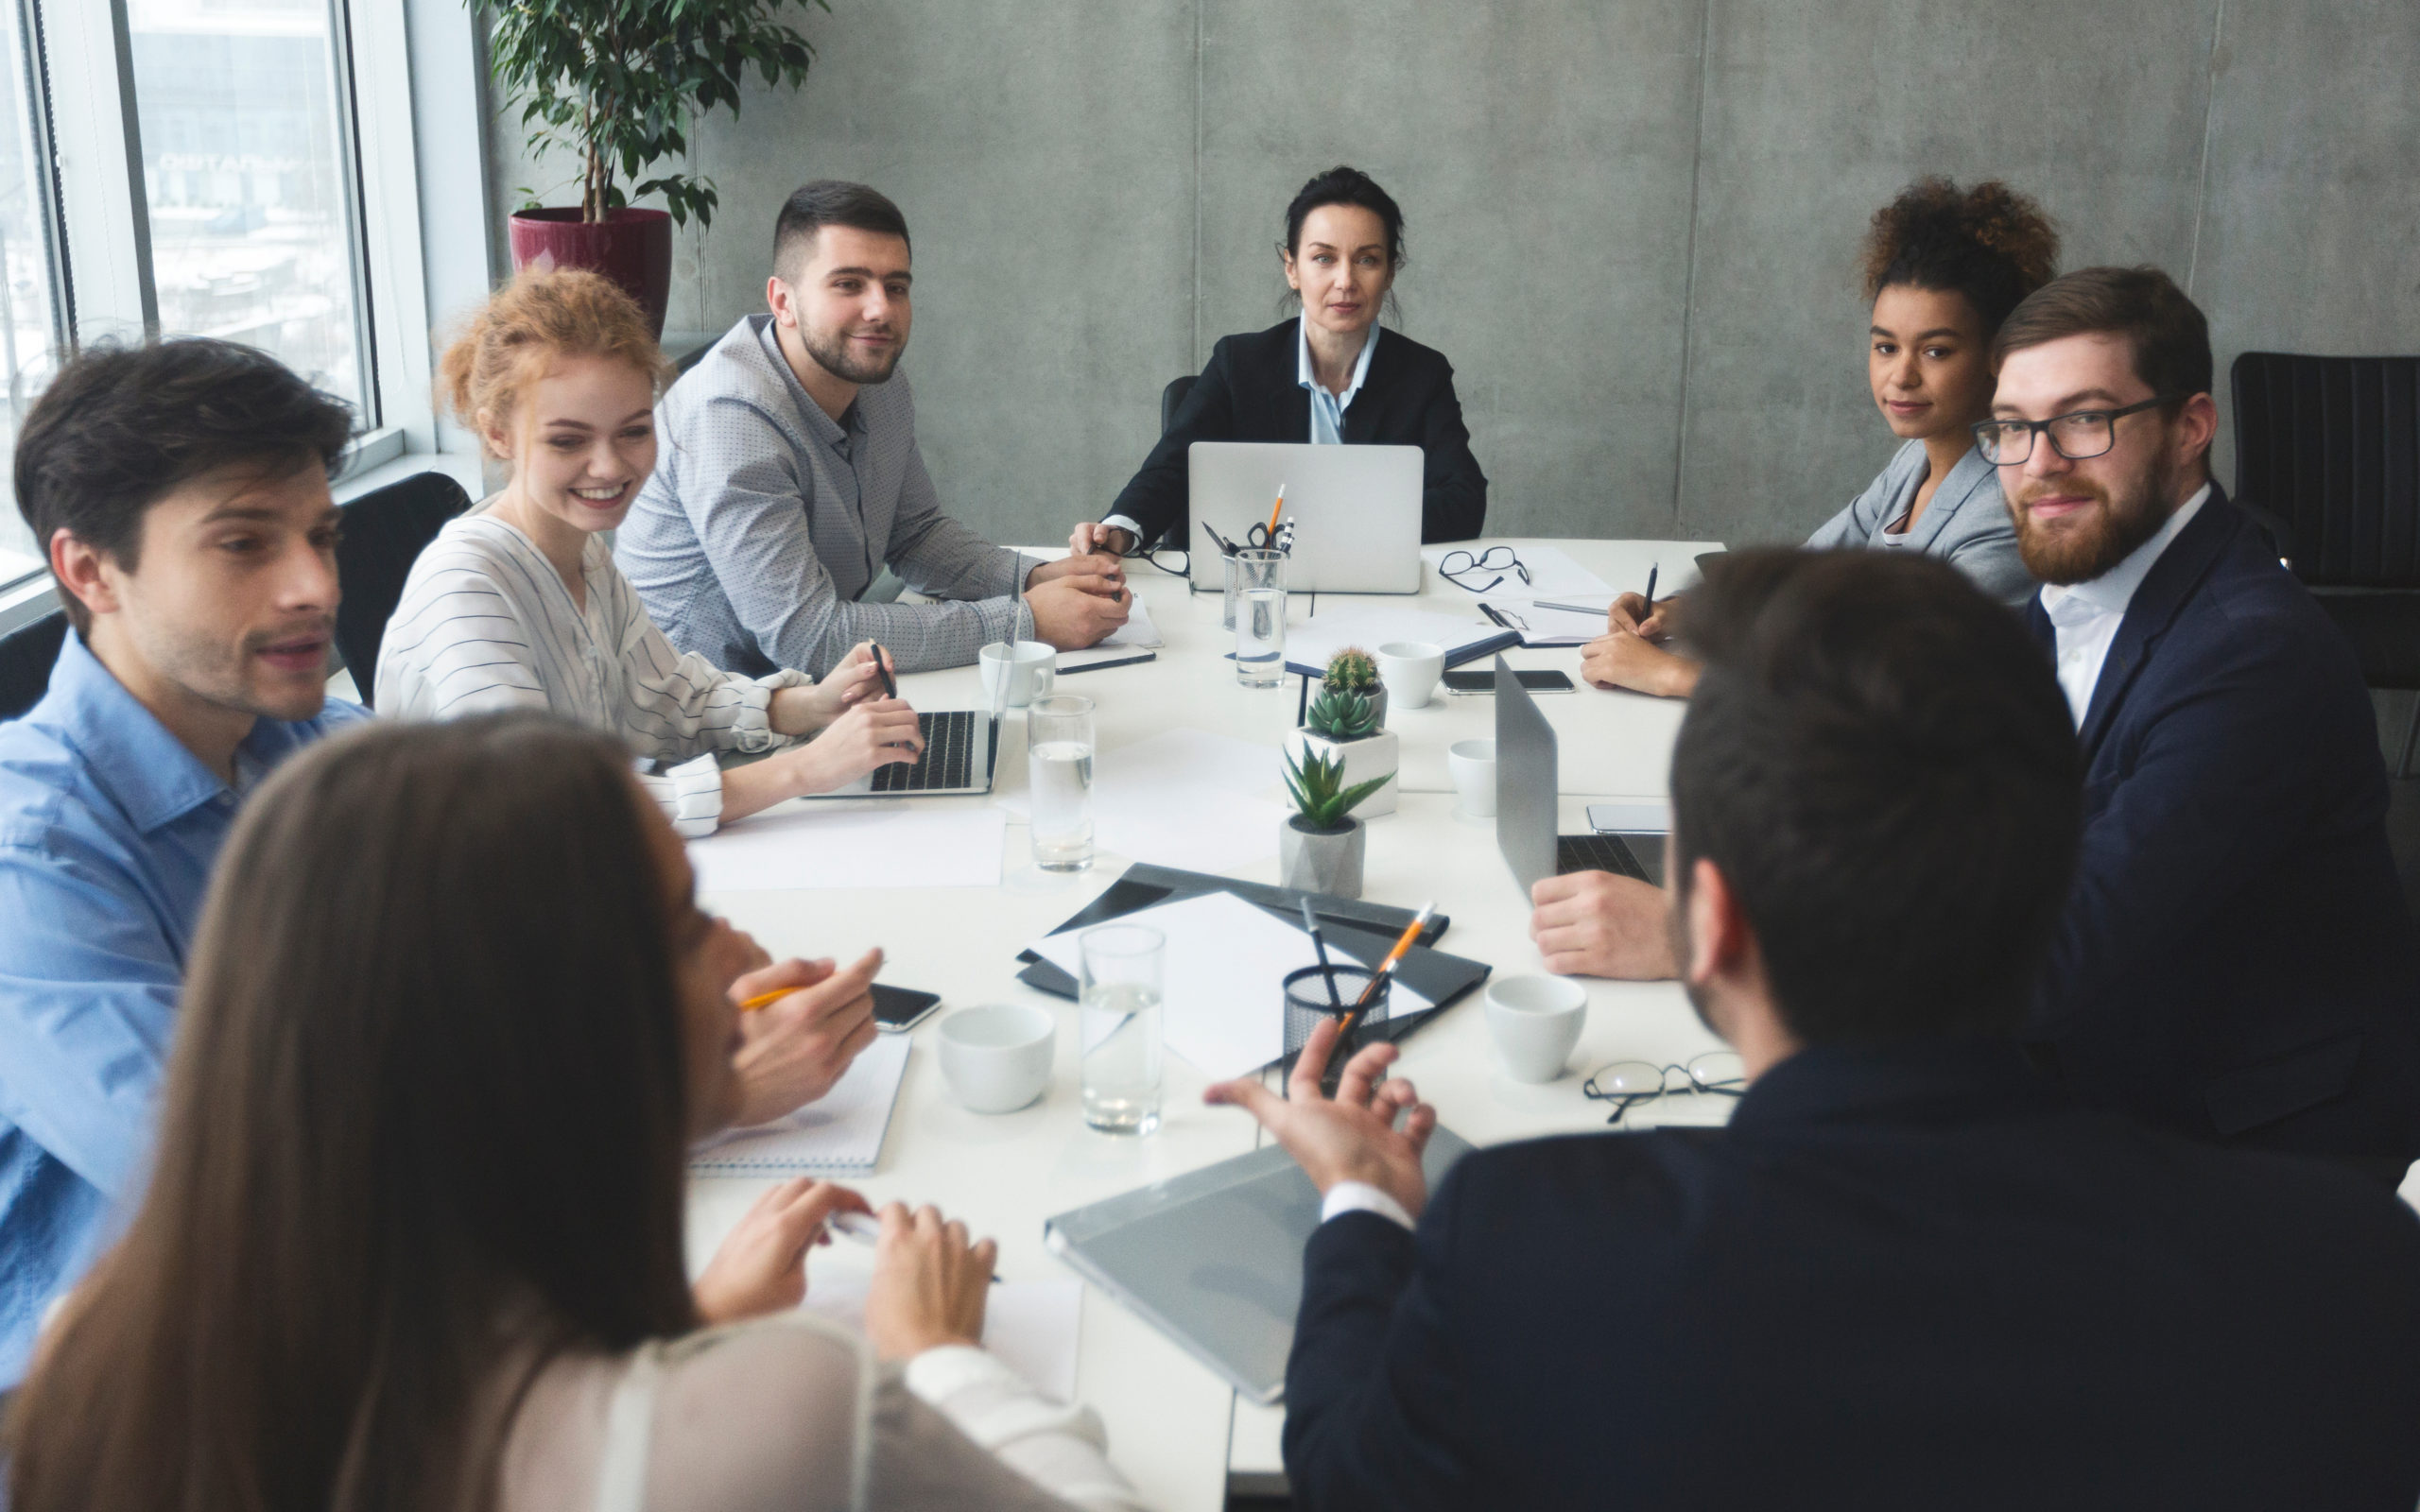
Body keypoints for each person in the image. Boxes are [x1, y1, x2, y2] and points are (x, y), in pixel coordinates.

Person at [1209, 550, 2420, 1511]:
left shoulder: (1524, 1247)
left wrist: (1360, 1202)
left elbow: (1346, 1473)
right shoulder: (2358, 1269)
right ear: (2049, 878)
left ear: (1710, 922)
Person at [3, 713, 1144, 1512]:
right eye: (695, 923)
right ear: (571, 1034)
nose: (745, 959)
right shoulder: (789, 1413)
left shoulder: (94, 1366)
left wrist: (685, 1322)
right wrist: (936, 1354)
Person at [1985, 266, 2420, 1177]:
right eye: (2015, 428)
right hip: (2105, 1061)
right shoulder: (2073, 595)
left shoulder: (2250, 656)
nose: (2040, 462)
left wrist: (1711, 938)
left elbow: (2057, 950)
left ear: (2190, 428)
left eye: (2085, 419)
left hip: (2248, 1152)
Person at [0, 338, 366, 1392]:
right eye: (245, 544)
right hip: (134, 1420)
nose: (316, 586)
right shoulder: (32, 854)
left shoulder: (317, 747)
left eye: (322, 536)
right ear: (88, 571)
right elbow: (243, 1183)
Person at [380, 266, 926, 838]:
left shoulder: (583, 553)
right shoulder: (466, 591)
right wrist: (805, 769)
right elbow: (549, 810)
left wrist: (813, 704)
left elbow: (671, 702)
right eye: (568, 440)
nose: (610, 466)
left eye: (634, 431)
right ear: (497, 435)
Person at [616, 180, 1131, 679]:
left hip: (803, 700)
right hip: (702, 733)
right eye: (848, 284)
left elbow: (916, 535)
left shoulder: (878, 382)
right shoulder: (730, 417)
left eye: (896, 286)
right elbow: (809, 638)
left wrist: (1035, 577)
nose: (881, 308)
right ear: (782, 301)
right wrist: (1027, 620)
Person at [1583, 178, 2052, 698]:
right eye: (1885, 347)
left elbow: (1902, 691)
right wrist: (1679, 612)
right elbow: (1802, 579)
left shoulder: (2007, 508)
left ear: (1999, 357)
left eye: (1936, 351)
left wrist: (1673, 675)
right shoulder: (1914, 462)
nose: (1902, 376)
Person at [1071, 165, 1487, 558]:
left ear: (1390, 272)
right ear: (1292, 268)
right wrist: (1119, 531)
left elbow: (1464, 501)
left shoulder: (1423, 374)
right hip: (1260, 584)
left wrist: (1324, 523)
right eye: (1324, 258)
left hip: (1379, 585)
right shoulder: (1240, 363)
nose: (1345, 281)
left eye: (1367, 260)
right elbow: (1169, 470)